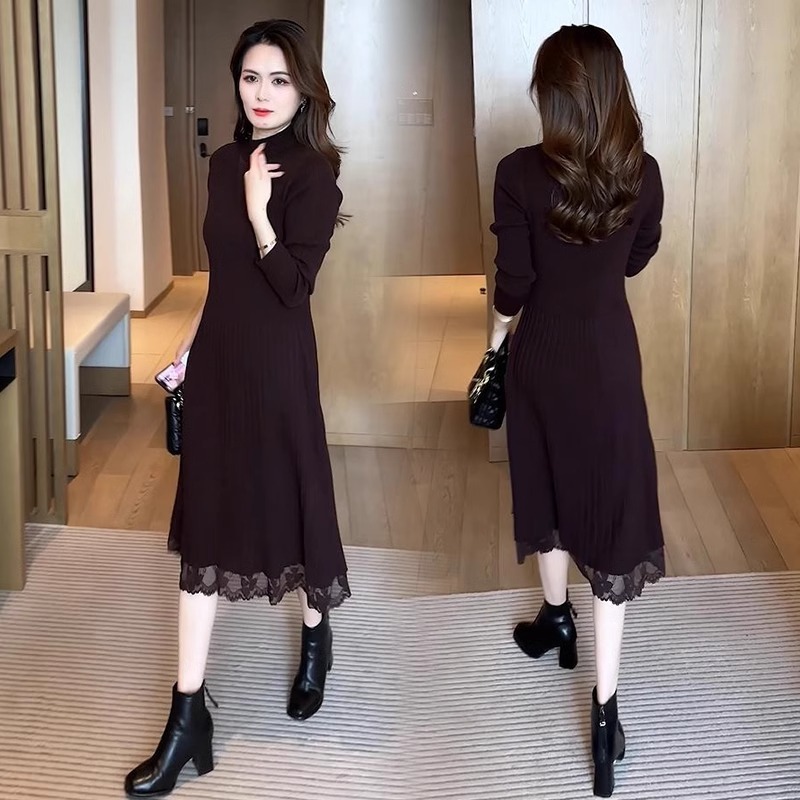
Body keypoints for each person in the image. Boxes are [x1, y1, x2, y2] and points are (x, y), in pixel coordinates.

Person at [125, 19, 350, 797]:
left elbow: (291, 289)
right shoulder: (224, 162)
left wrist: (261, 214)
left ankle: (316, 634)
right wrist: (189, 342)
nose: (262, 93)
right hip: (220, 358)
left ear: (304, 89)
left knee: (294, 497)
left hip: (280, 366)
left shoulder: (316, 175)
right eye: (252, 77)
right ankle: (187, 714)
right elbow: (225, 277)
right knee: (209, 521)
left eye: (279, 80)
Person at [488, 24, 665, 798]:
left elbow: (514, 284)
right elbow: (638, 254)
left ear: (551, 97)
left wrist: (495, 337)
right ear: (613, 90)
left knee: (547, 484)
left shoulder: (518, 173)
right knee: (610, 512)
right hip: (609, 358)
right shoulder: (643, 174)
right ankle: (605, 708)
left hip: (541, 358)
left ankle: (555, 614)